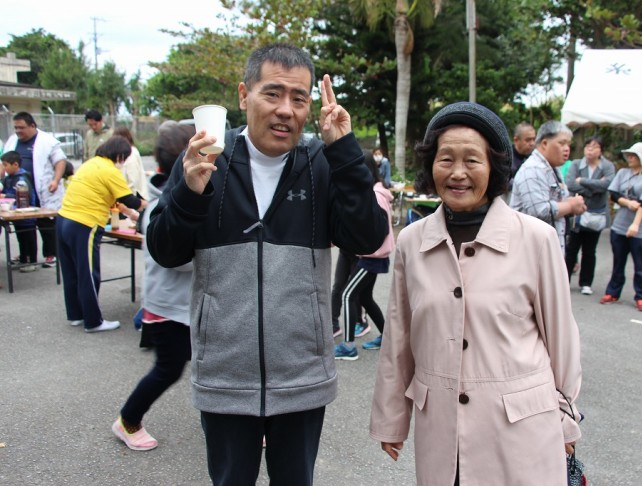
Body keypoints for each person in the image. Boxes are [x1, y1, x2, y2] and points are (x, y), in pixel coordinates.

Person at [145, 43, 388, 486]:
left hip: (301, 375)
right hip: (225, 375)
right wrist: (188, 194)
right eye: (272, 94)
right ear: (244, 95)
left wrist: (345, 151)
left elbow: (368, 238)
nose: (286, 110)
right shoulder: (206, 157)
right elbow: (165, 251)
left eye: (299, 98)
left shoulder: (320, 163)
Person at [369, 102, 582, 485]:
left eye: (472, 160)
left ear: (494, 166)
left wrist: (566, 419)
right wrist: (391, 417)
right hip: (441, 430)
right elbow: (398, 339)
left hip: (521, 431)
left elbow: (562, 342)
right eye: (445, 159)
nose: (457, 172)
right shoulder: (413, 241)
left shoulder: (536, 239)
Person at [112, 121, 196, 451]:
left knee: (216, 366)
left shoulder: (190, 200)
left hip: (193, 306)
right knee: (168, 370)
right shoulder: (160, 210)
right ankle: (127, 420)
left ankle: (234, 423)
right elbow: (177, 260)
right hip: (168, 309)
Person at [57, 136, 147, 332]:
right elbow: (130, 200)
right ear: (119, 155)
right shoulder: (110, 170)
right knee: (88, 273)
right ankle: (93, 321)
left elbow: (114, 200)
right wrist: (150, 206)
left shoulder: (90, 164)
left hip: (63, 219)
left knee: (72, 272)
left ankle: (76, 315)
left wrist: (130, 212)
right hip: (84, 223)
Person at [335, 151, 395, 360]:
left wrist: (360, 241)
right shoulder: (373, 191)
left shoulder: (376, 195)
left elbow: (381, 228)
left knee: (347, 294)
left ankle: (348, 346)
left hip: (372, 256)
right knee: (365, 297)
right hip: (371, 255)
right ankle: (386, 337)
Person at [509, 120, 587, 253]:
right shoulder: (533, 169)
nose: (567, 148)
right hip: (532, 252)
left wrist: (573, 205)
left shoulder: (552, 168)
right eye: (562, 143)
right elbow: (539, 212)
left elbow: (557, 201)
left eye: (568, 144)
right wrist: (570, 206)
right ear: (545, 143)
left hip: (549, 249)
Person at [600, 142, 642, 312]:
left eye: (634, 155)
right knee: (618, 262)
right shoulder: (623, 173)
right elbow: (614, 194)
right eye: (630, 155)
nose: (630, 158)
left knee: (640, 265)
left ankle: (641, 296)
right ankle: (613, 292)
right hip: (620, 225)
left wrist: (635, 225)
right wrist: (627, 202)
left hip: (641, 229)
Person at [4, 111, 67, 268]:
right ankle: (26, 255)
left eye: (21, 127)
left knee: (46, 224)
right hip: (20, 192)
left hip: (43, 190)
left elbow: (60, 161)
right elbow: (3, 164)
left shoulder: (47, 141)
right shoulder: (12, 141)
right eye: (16, 128)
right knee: (23, 225)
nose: (18, 131)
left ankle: (51, 254)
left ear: (32, 126)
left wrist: (56, 180)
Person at [564, 136, 616, 295]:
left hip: (596, 213)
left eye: (594, 147)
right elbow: (571, 184)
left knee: (590, 250)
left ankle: (586, 283)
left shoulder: (607, 166)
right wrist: (593, 189)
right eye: (588, 147)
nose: (590, 150)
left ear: (601, 150)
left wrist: (583, 181)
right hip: (577, 214)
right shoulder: (576, 164)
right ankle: (564, 281)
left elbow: (607, 185)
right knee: (571, 249)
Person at [1, 150, 39, 272]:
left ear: (15, 164)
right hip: (14, 214)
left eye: (5, 165)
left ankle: (32, 262)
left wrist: (5, 196)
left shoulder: (22, 178)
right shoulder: (8, 179)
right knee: (21, 239)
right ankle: (23, 259)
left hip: (26, 214)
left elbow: (24, 196)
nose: (4, 168)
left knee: (29, 239)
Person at [113, 126, 149, 200]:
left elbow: (133, 180)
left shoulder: (131, 153)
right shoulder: (123, 152)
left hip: (134, 196)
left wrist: (128, 199)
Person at [507, 122, 536, 190]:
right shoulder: (506, 158)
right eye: (528, 140)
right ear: (516, 140)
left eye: (534, 139)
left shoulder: (535, 157)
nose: (532, 143)